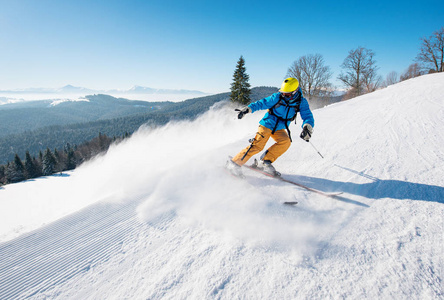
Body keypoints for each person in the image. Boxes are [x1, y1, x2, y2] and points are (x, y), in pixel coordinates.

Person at [226, 77, 314, 177]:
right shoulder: (277, 97)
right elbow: (262, 103)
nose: (284, 95)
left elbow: (307, 116)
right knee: (258, 145)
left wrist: (307, 127)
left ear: (295, 92)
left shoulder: (301, 102)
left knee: (285, 142)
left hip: (279, 127)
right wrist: (248, 109)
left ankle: (265, 161)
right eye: (283, 92)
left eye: (287, 94)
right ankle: (234, 164)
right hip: (267, 123)